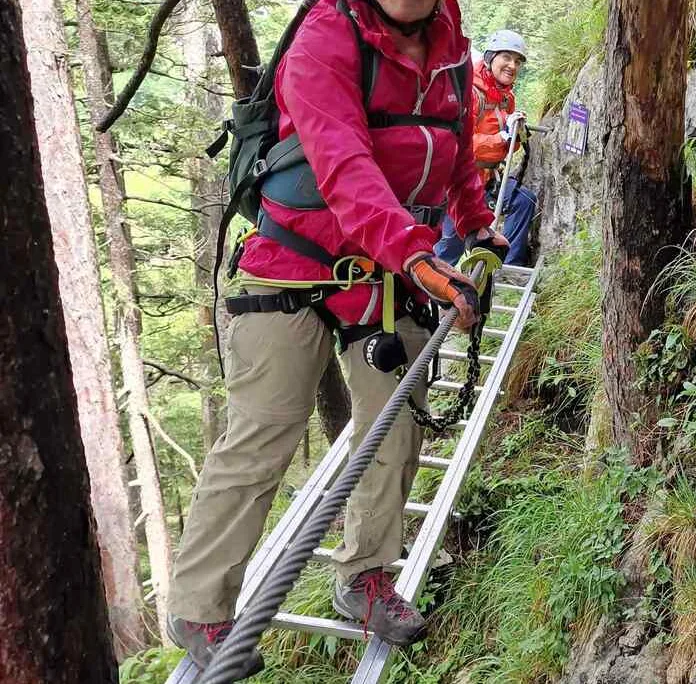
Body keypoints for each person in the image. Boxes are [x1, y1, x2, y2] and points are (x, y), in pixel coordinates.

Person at [164, 0, 508, 672]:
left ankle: (365, 576)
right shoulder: (327, 32)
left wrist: (476, 221)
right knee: (264, 431)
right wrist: (417, 255)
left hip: (390, 271)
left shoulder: (451, 46)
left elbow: (455, 150)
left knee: (396, 425)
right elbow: (342, 163)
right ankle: (201, 605)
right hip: (298, 261)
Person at [435, 29, 538, 266]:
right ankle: (436, 293)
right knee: (452, 245)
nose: (512, 66)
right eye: (507, 58)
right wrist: (503, 136)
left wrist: (516, 134)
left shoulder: (506, 98)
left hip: (489, 179)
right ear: (491, 57)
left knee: (523, 200)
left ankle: (507, 266)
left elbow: (506, 150)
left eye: (518, 61)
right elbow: (462, 145)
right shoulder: (470, 91)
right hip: (460, 183)